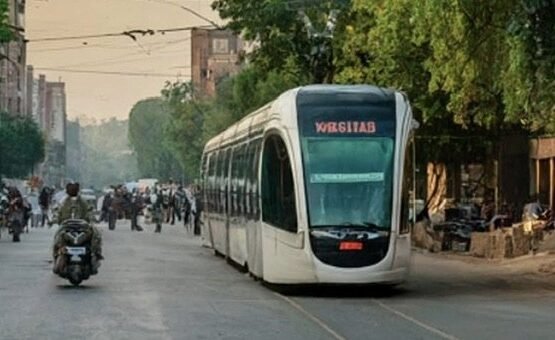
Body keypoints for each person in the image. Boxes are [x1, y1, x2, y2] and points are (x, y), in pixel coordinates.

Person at [52, 182, 103, 271]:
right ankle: (57, 256)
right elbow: (58, 213)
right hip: (66, 226)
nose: (72, 191)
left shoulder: (82, 201)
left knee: (95, 234)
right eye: (70, 189)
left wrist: (92, 219)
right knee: (57, 238)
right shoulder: (64, 201)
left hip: (82, 226)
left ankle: (95, 253)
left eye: (74, 189)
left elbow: (89, 212)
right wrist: (54, 219)